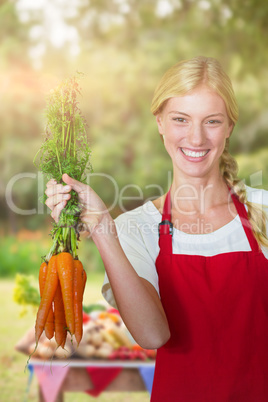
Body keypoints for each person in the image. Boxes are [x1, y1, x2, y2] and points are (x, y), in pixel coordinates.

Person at [45, 56, 268, 401]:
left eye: (212, 121)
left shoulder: (263, 210)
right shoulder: (135, 228)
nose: (196, 137)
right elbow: (151, 335)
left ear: (229, 127)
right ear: (160, 122)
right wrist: (103, 229)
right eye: (181, 119)